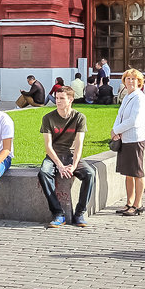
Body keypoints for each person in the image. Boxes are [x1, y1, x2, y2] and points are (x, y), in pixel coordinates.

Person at [38, 87, 95, 227]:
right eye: (57, 98)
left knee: (90, 174)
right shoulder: (48, 118)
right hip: (54, 156)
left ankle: (80, 213)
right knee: (44, 173)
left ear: (70, 100)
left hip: (70, 155)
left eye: (61, 98)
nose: (57, 101)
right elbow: (48, 146)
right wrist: (60, 165)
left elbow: (79, 145)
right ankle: (58, 213)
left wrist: (74, 166)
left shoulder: (79, 117)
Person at [112, 69, 145, 216]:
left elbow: (134, 120)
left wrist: (117, 130)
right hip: (125, 139)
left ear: (139, 81)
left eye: (134, 79)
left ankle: (138, 204)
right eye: (128, 78)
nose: (130, 81)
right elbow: (120, 115)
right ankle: (129, 202)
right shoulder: (128, 96)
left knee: (137, 172)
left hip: (135, 139)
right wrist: (115, 129)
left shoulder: (139, 98)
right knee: (128, 173)